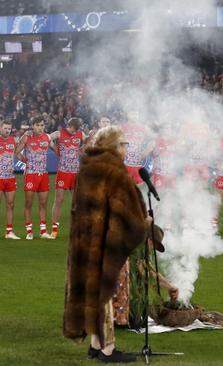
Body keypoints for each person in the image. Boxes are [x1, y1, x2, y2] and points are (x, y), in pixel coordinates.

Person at [64, 125, 149, 364]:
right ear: (112, 146)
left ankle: (95, 345)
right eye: (123, 144)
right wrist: (144, 222)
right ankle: (107, 349)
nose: (125, 148)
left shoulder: (87, 169)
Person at [16, 116, 52, 240]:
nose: (40, 128)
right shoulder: (26, 138)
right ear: (32, 126)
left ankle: (43, 231)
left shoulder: (47, 137)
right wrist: (24, 160)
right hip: (30, 174)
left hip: (43, 174)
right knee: (29, 203)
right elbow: (16, 151)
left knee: (43, 203)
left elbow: (56, 147)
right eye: (38, 125)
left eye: (42, 125)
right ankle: (29, 231)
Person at [50, 117, 86, 239]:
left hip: (75, 172)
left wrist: (83, 149)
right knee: (59, 200)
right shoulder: (59, 133)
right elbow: (46, 138)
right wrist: (53, 147)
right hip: (63, 172)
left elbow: (90, 141)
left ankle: (77, 229)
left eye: (76, 131)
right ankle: (54, 230)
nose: (73, 132)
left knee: (76, 202)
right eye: (72, 130)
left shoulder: (80, 134)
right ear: (68, 125)